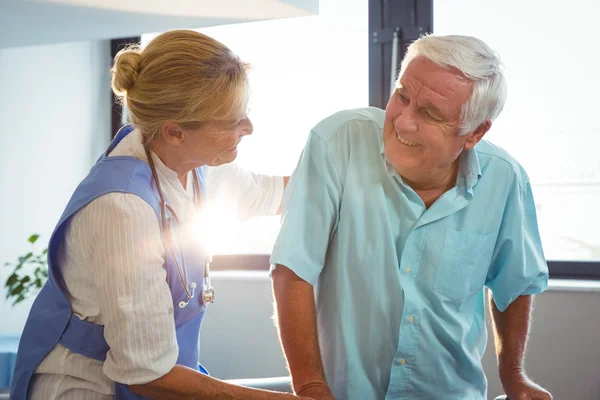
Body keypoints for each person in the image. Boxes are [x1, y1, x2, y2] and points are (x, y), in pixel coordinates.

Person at [11, 29, 302, 400]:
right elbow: (147, 375)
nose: (248, 128)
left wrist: (363, 174)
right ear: (175, 131)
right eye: (231, 122)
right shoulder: (123, 209)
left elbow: (273, 194)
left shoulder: (193, 165)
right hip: (87, 387)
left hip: (150, 376)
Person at [270, 34, 552, 400]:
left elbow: (515, 283)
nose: (403, 123)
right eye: (402, 96)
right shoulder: (336, 142)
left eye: (430, 113)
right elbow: (292, 268)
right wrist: (309, 386)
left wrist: (514, 376)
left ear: (475, 132)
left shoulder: (505, 179)